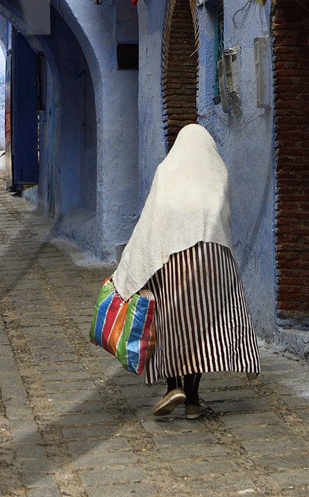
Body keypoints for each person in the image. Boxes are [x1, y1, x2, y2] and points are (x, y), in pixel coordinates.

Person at [109, 123, 260, 419]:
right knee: (204, 327)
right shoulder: (217, 171)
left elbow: (153, 219)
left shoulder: (166, 172)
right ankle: (192, 400)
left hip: (171, 258)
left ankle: (172, 387)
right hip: (213, 258)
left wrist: (134, 266)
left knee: (171, 321)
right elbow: (222, 216)